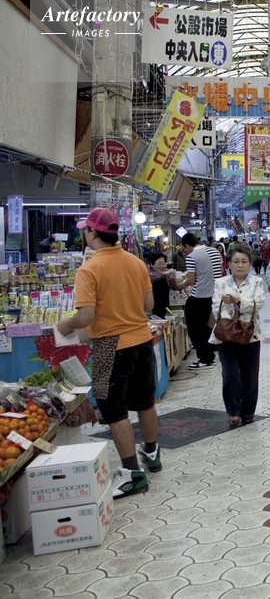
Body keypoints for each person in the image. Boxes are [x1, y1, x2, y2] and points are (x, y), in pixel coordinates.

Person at [56, 208, 161, 499]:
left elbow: (86, 316)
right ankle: (152, 453)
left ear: (92, 232)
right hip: (142, 340)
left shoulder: (89, 270)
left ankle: (132, 474)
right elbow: (148, 304)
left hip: (110, 346)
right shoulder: (136, 262)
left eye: (85, 230)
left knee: (114, 412)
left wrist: (67, 324)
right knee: (145, 402)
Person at [209, 244, 266, 428]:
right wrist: (235, 315)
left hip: (250, 334)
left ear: (250, 264)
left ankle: (248, 412)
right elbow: (217, 307)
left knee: (250, 375)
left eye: (244, 261)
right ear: (229, 264)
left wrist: (238, 300)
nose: (240, 265)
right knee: (230, 374)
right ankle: (233, 411)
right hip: (226, 336)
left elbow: (259, 303)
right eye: (236, 261)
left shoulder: (256, 282)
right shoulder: (220, 283)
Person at [177, 233, 223, 370]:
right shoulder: (214, 251)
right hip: (215, 294)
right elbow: (220, 270)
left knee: (194, 328)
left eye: (185, 248)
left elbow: (191, 280)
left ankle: (205, 359)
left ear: (187, 245)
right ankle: (210, 352)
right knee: (206, 326)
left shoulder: (192, 256)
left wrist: (181, 285)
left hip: (199, 296)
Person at [146, 251, 183, 319]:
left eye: (163, 263)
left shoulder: (166, 273)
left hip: (164, 308)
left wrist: (179, 281)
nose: (162, 266)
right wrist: (164, 273)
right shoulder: (147, 273)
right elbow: (152, 278)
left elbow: (174, 286)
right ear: (151, 264)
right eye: (159, 264)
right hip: (151, 310)